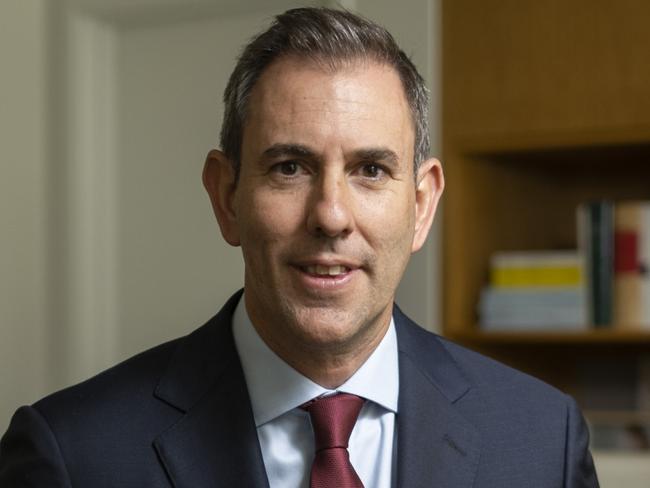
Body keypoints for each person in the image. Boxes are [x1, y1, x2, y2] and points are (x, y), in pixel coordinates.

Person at [0, 7, 598, 487]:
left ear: (422, 205)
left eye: (369, 169)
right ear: (226, 196)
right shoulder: (73, 455)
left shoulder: (543, 440)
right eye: (290, 167)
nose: (331, 215)